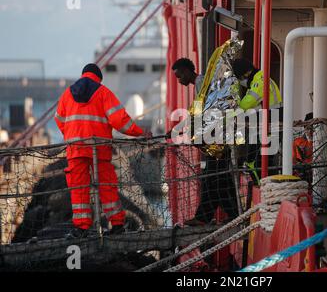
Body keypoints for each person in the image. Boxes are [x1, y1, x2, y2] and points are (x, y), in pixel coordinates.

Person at [54, 63, 150, 238]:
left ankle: (82, 228)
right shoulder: (103, 92)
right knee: (107, 187)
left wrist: (71, 135)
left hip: (75, 149)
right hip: (99, 149)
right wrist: (140, 132)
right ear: (98, 77)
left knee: (79, 188)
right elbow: (121, 121)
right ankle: (118, 225)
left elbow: (59, 119)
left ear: (83, 75)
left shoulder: (68, 94)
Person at [170, 58, 238, 226]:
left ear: (186, 71)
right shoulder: (201, 84)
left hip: (215, 140)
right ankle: (229, 213)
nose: (179, 81)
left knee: (213, 178)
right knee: (219, 178)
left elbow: (203, 113)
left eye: (179, 77)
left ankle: (207, 216)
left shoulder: (201, 84)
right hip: (218, 137)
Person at [231, 58, 283, 181]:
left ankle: (263, 184)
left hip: (271, 121)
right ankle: (263, 182)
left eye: (239, 78)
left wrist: (233, 111)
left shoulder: (259, 81)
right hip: (269, 120)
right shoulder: (257, 79)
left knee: (261, 159)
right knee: (261, 158)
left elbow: (249, 102)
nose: (240, 82)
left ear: (246, 73)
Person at [293, 112, 327, 184]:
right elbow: (292, 162)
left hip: (324, 180)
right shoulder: (297, 142)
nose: (310, 131)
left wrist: (320, 171)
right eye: (307, 127)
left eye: (313, 128)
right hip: (300, 181)